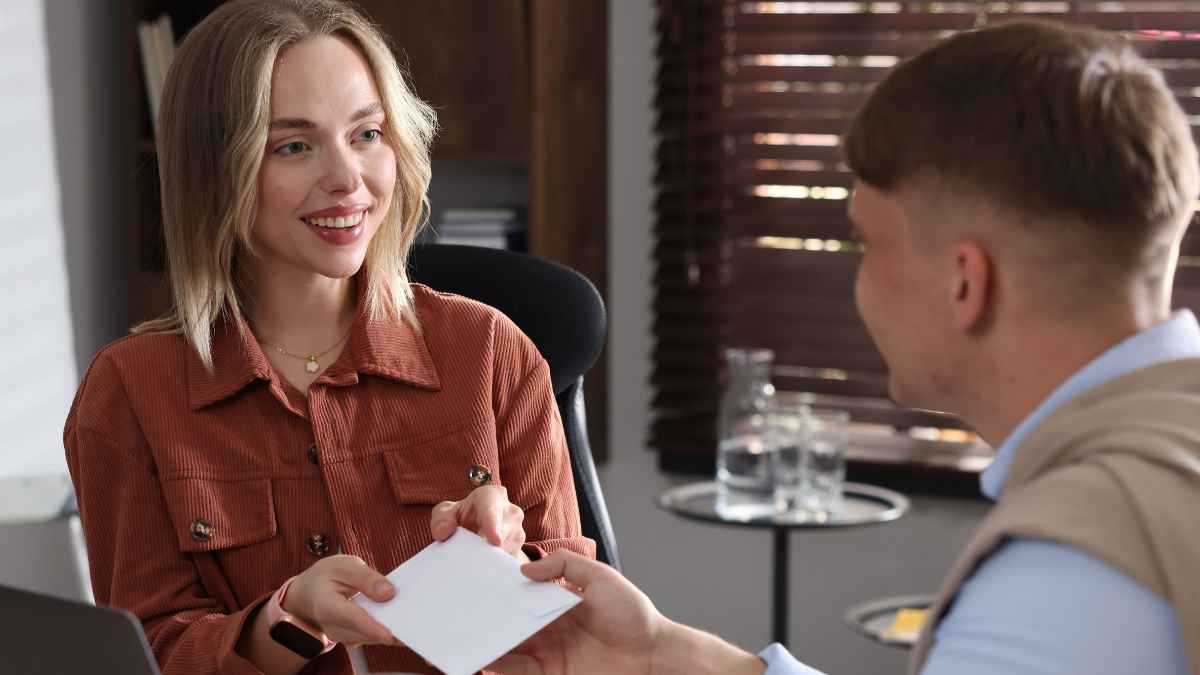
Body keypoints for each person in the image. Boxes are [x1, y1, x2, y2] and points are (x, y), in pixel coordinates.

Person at [466, 19, 1200, 675]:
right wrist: (666, 654)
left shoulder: (1067, 580)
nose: (857, 283)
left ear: (964, 282)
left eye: (866, 244)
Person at [63, 2, 593, 674]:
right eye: (293, 145)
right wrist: (292, 618)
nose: (347, 179)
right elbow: (150, 653)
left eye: (367, 134)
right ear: (216, 168)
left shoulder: (492, 352)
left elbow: (579, 626)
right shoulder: (130, 393)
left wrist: (505, 566)